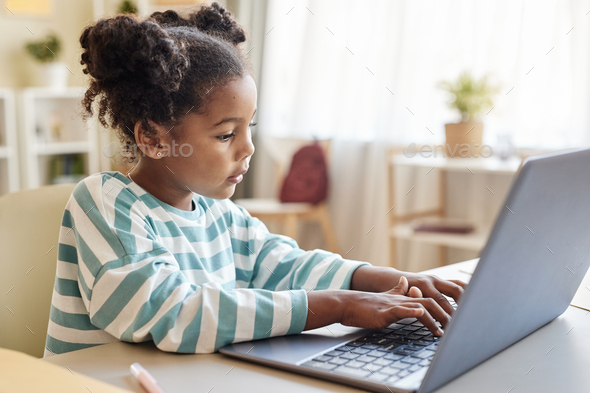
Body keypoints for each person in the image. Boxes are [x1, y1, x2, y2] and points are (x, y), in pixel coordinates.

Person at [44, 2, 466, 356]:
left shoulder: (219, 214)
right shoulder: (104, 202)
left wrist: (379, 279)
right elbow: (174, 312)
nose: (247, 148)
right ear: (153, 137)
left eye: (250, 128)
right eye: (226, 134)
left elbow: (284, 264)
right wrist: (340, 305)